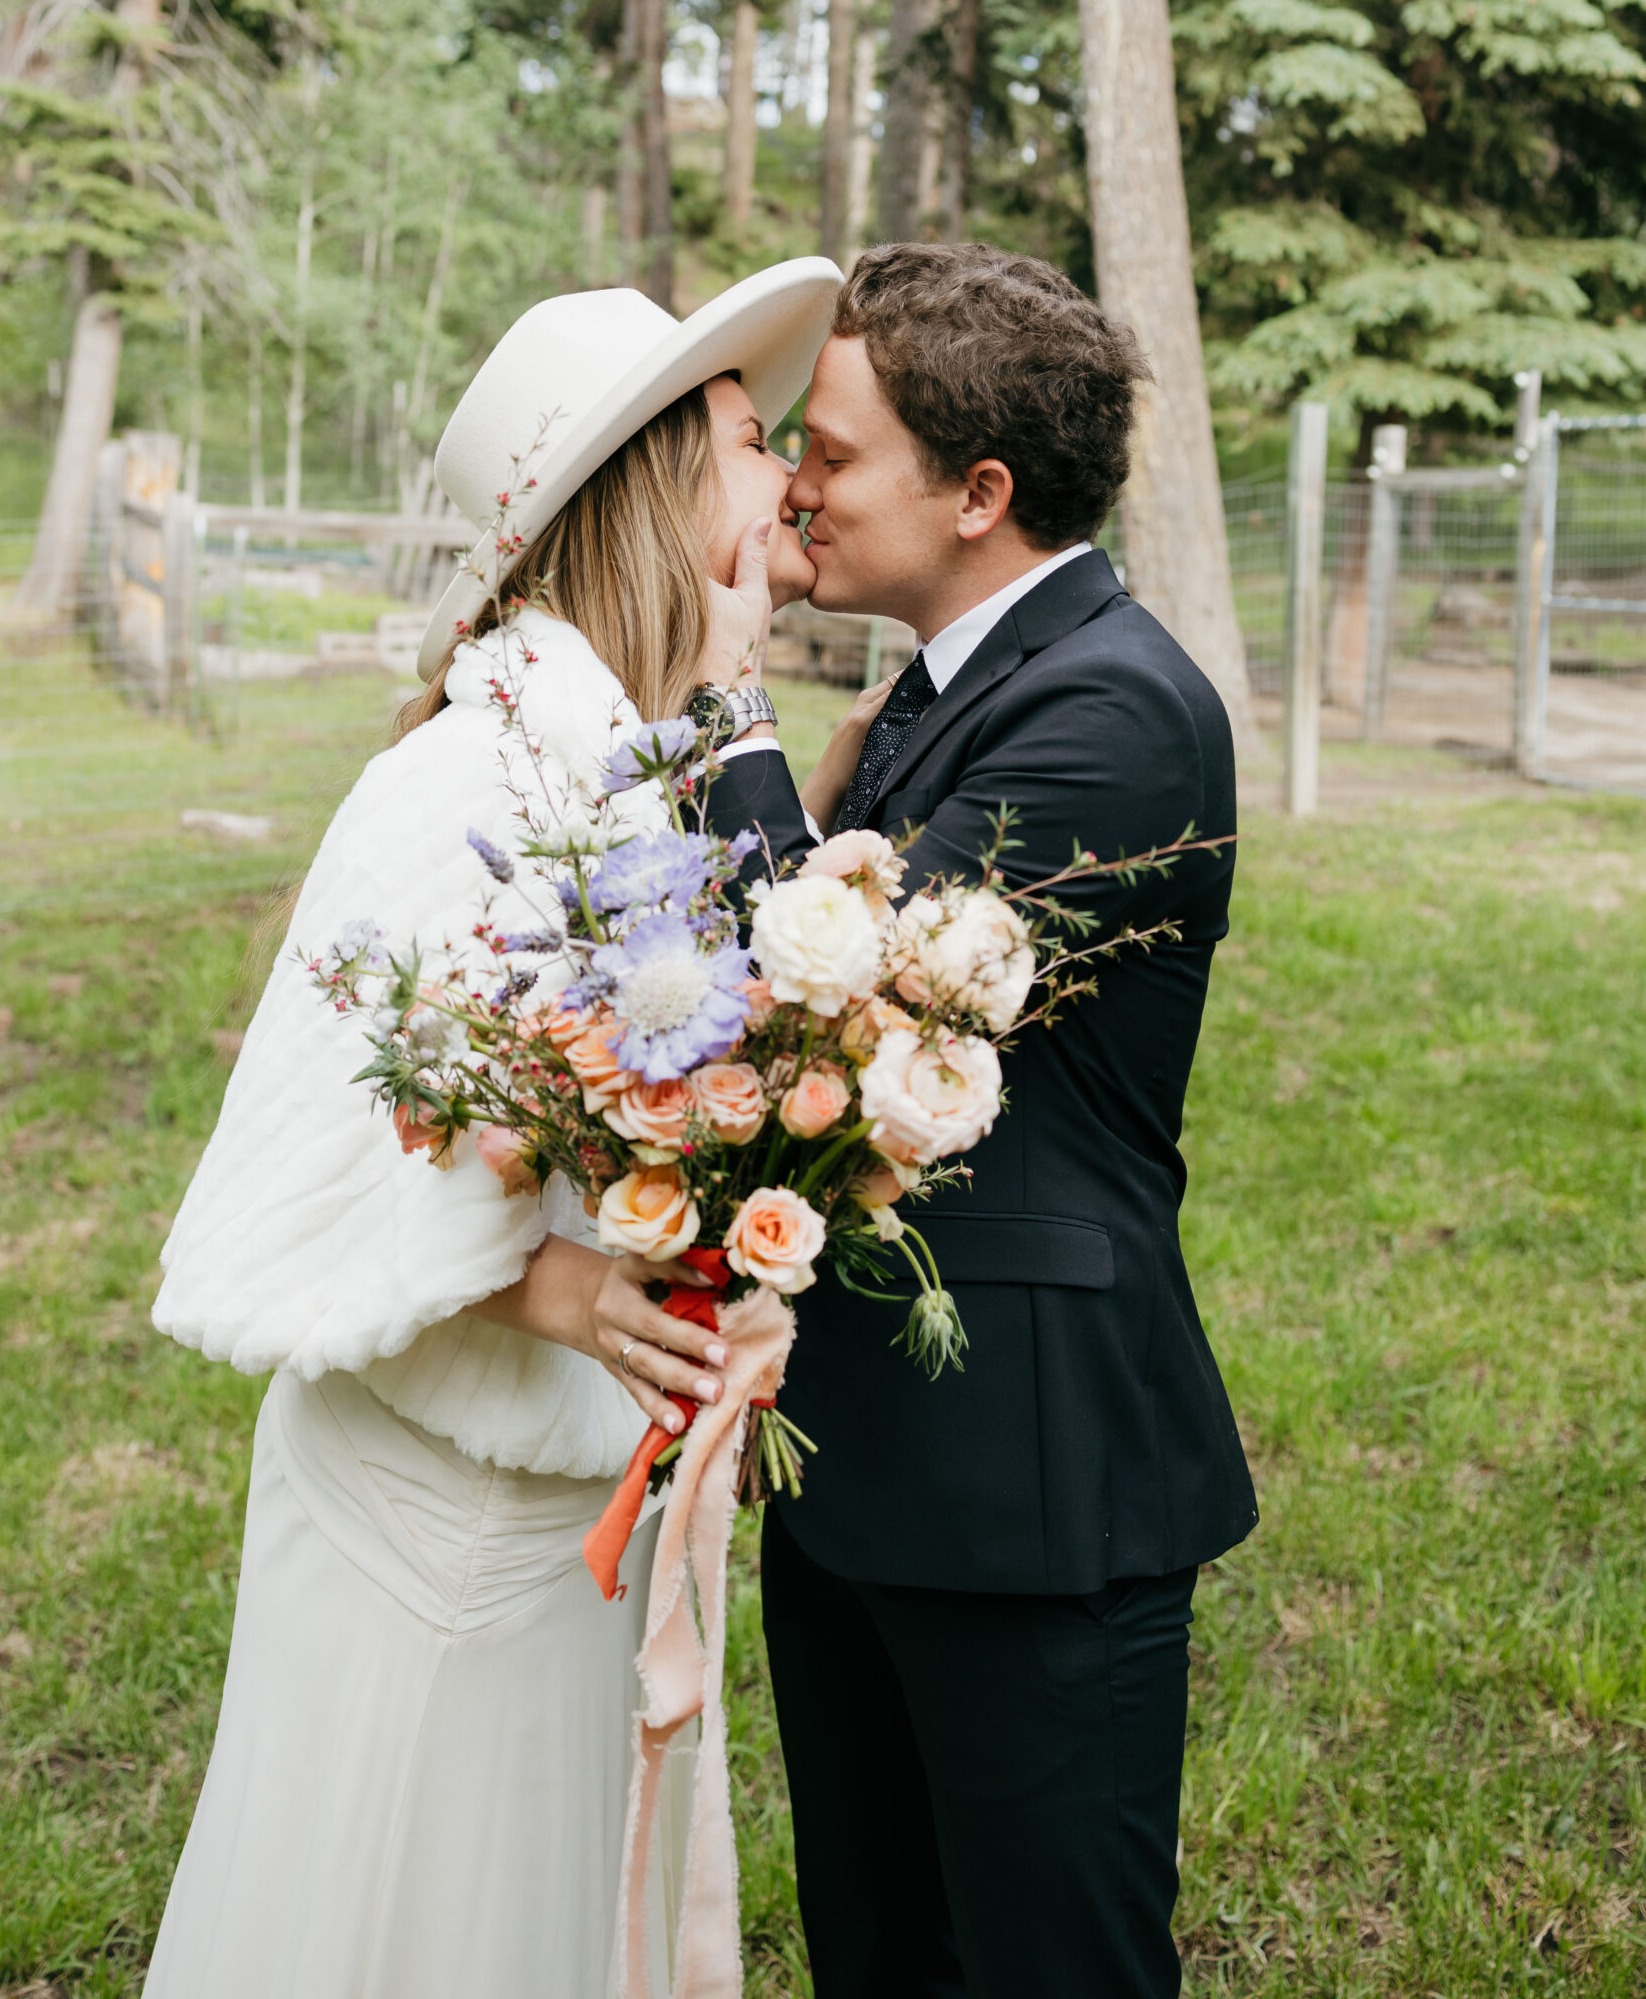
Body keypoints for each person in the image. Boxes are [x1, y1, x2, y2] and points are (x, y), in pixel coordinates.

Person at [142, 257, 846, 1999]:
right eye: (752, 444)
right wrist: (535, 1289)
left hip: (559, 1518)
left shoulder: (621, 763)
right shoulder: (462, 783)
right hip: (433, 1519)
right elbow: (327, 1139)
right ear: (663, 491)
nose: (784, 487)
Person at [702, 242, 1259, 1999]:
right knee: (883, 1951)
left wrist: (728, 708)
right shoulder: (943, 694)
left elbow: (836, 1022)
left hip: (1033, 1484)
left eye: (837, 449)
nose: (796, 483)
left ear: (980, 494)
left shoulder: (1115, 711)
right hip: (872, 1463)